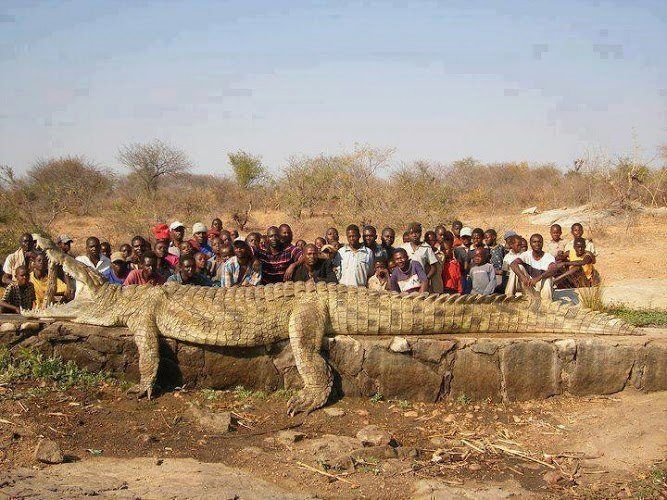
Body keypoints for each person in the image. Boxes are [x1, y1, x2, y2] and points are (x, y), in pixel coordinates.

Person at [508, 234, 558, 300]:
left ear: (542, 243)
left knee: (548, 277)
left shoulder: (548, 256)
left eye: (539, 242)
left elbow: (553, 269)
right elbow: (513, 264)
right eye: (534, 242)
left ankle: (546, 302)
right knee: (517, 268)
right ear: (530, 243)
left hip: (542, 289)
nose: (537, 244)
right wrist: (522, 277)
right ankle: (509, 297)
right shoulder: (526, 254)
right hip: (529, 286)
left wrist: (538, 278)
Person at [400, 222, 438, 289]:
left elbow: (434, 268)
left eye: (417, 232)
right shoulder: (403, 248)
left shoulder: (426, 247)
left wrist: (425, 279)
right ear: (408, 235)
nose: (414, 235)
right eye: (412, 233)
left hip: (420, 284)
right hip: (406, 283)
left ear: (421, 233)